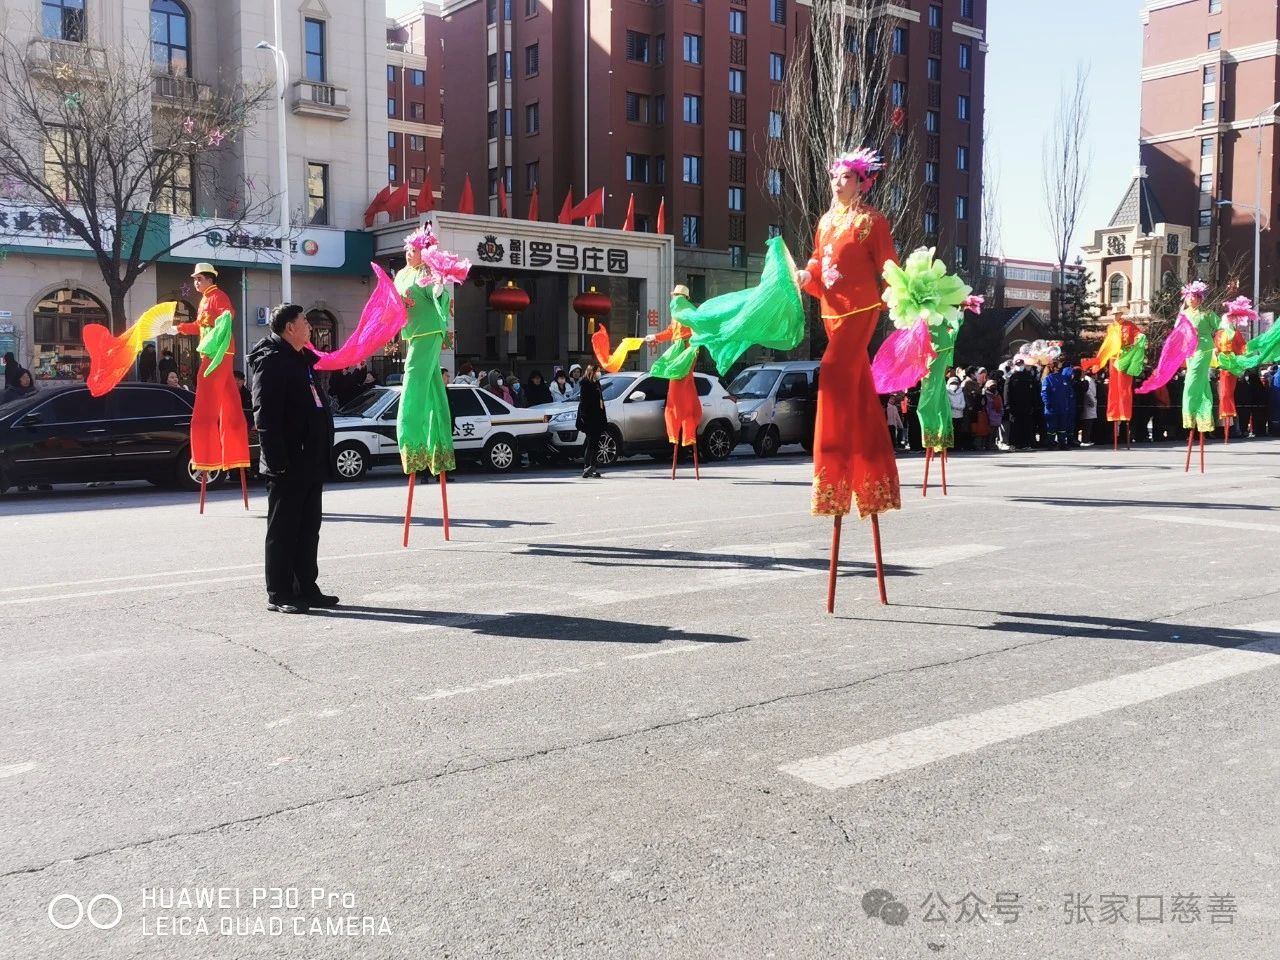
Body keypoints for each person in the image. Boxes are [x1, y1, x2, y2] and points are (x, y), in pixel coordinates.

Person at [249, 304, 337, 614]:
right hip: (287, 463)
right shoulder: (272, 361)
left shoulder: (301, 360)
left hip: (310, 460)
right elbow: (265, 416)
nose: (310, 327)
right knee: (284, 530)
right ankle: (280, 592)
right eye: (305, 322)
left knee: (308, 528)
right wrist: (278, 462)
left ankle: (306, 587)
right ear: (290, 328)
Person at [174, 263, 251, 475]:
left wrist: (225, 317)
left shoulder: (218, 296)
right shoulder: (204, 300)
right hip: (213, 353)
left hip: (217, 354)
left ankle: (206, 455)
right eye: (195, 279)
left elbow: (228, 314)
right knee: (230, 403)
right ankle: (235, 453)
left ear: (210, 279)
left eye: (199, 279)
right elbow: (200, 326)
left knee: (205, 404)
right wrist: (178, 328)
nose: (196, 282)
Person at [575, 363, 607, 478]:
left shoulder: (596, 383)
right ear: (591, 372)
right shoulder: (586, 384)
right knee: (591, 443)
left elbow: (600, 400)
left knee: (595, 444)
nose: (599, 373)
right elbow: (584, 403)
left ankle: (593, 467)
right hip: (590, 419)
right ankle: (587, 466)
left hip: (598, 417)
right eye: (597, 371)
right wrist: (585, 418)